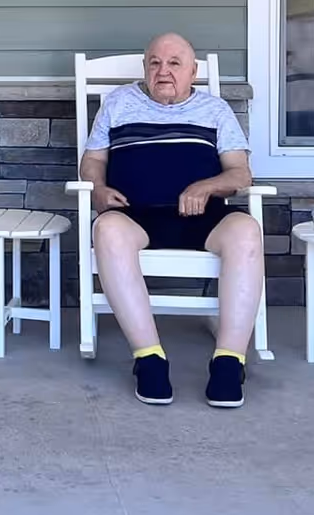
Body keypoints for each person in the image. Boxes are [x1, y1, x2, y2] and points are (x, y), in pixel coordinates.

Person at [83, 33, 263, 409]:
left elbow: (240, 174)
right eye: (154, 63)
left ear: (193, 72)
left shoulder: (215, 111)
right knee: (106, 229)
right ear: (145, 69)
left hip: (204, 218)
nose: (163, 71)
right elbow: (93, 162)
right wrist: (97, 188)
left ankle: (230, 361)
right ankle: (149, 357)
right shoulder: (117, 104)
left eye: (174, 63)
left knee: (246, 230)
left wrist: (207, 186)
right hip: (135, 215)